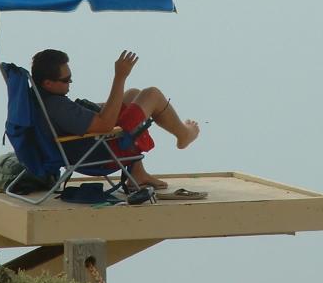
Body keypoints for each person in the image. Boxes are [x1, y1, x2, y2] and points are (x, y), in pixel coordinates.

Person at [31, 49, 199, 190]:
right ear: (48, 83)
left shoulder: (39, 99)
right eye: (66, 80)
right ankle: (184, 135)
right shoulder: (57, 107)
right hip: (100, 152)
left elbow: (82, 119)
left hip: (85, 145)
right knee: (152, 94)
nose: (70, 82)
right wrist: (120, 77)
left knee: (132, 95)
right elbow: (105, 125)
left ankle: (137, 174)